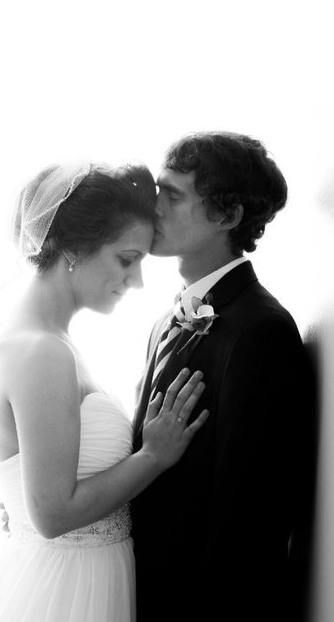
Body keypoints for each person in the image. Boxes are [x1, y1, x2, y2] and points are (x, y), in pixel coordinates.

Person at [0, 162, 209, 622]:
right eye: (126, 259)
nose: (136, 280)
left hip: (78, 575)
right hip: (62, 589)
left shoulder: (48, 342)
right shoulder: (42, 352)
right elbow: (52, 514)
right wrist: (153, 456)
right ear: (73, 249)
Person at [131, 131, 315, 622]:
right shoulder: (165, 319)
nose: (153, 207)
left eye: (173, 196)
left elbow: (250, 515)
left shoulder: (261, 330)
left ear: (228, 216)